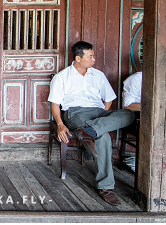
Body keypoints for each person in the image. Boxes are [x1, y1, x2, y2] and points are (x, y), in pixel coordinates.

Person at [48, 41, 134, 206]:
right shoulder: (62, 77)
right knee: (104, 137)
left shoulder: (98, 75)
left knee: (128, 114)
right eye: (90, 56)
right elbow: (55, 104)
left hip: (98, 112)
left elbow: (108, 99)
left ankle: (91, 131)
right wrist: (60, 124)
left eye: (93, 55)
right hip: (76, 113)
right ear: (78, 58)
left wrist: (102, 117)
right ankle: (106, 188)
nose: (94, 59)